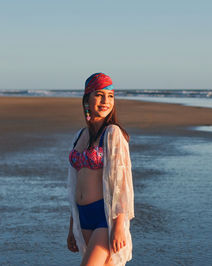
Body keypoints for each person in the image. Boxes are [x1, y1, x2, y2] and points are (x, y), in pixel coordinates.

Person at [66, 73, 134, 266]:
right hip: (83, 217)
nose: (106, 101)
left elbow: (122, 184)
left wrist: (119, 225)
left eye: (111, 96)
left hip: (105, 219)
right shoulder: (79, 135)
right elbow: (73, 185)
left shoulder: (113, 133)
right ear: (87, 98)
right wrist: (72, 227)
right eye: (99, 95)